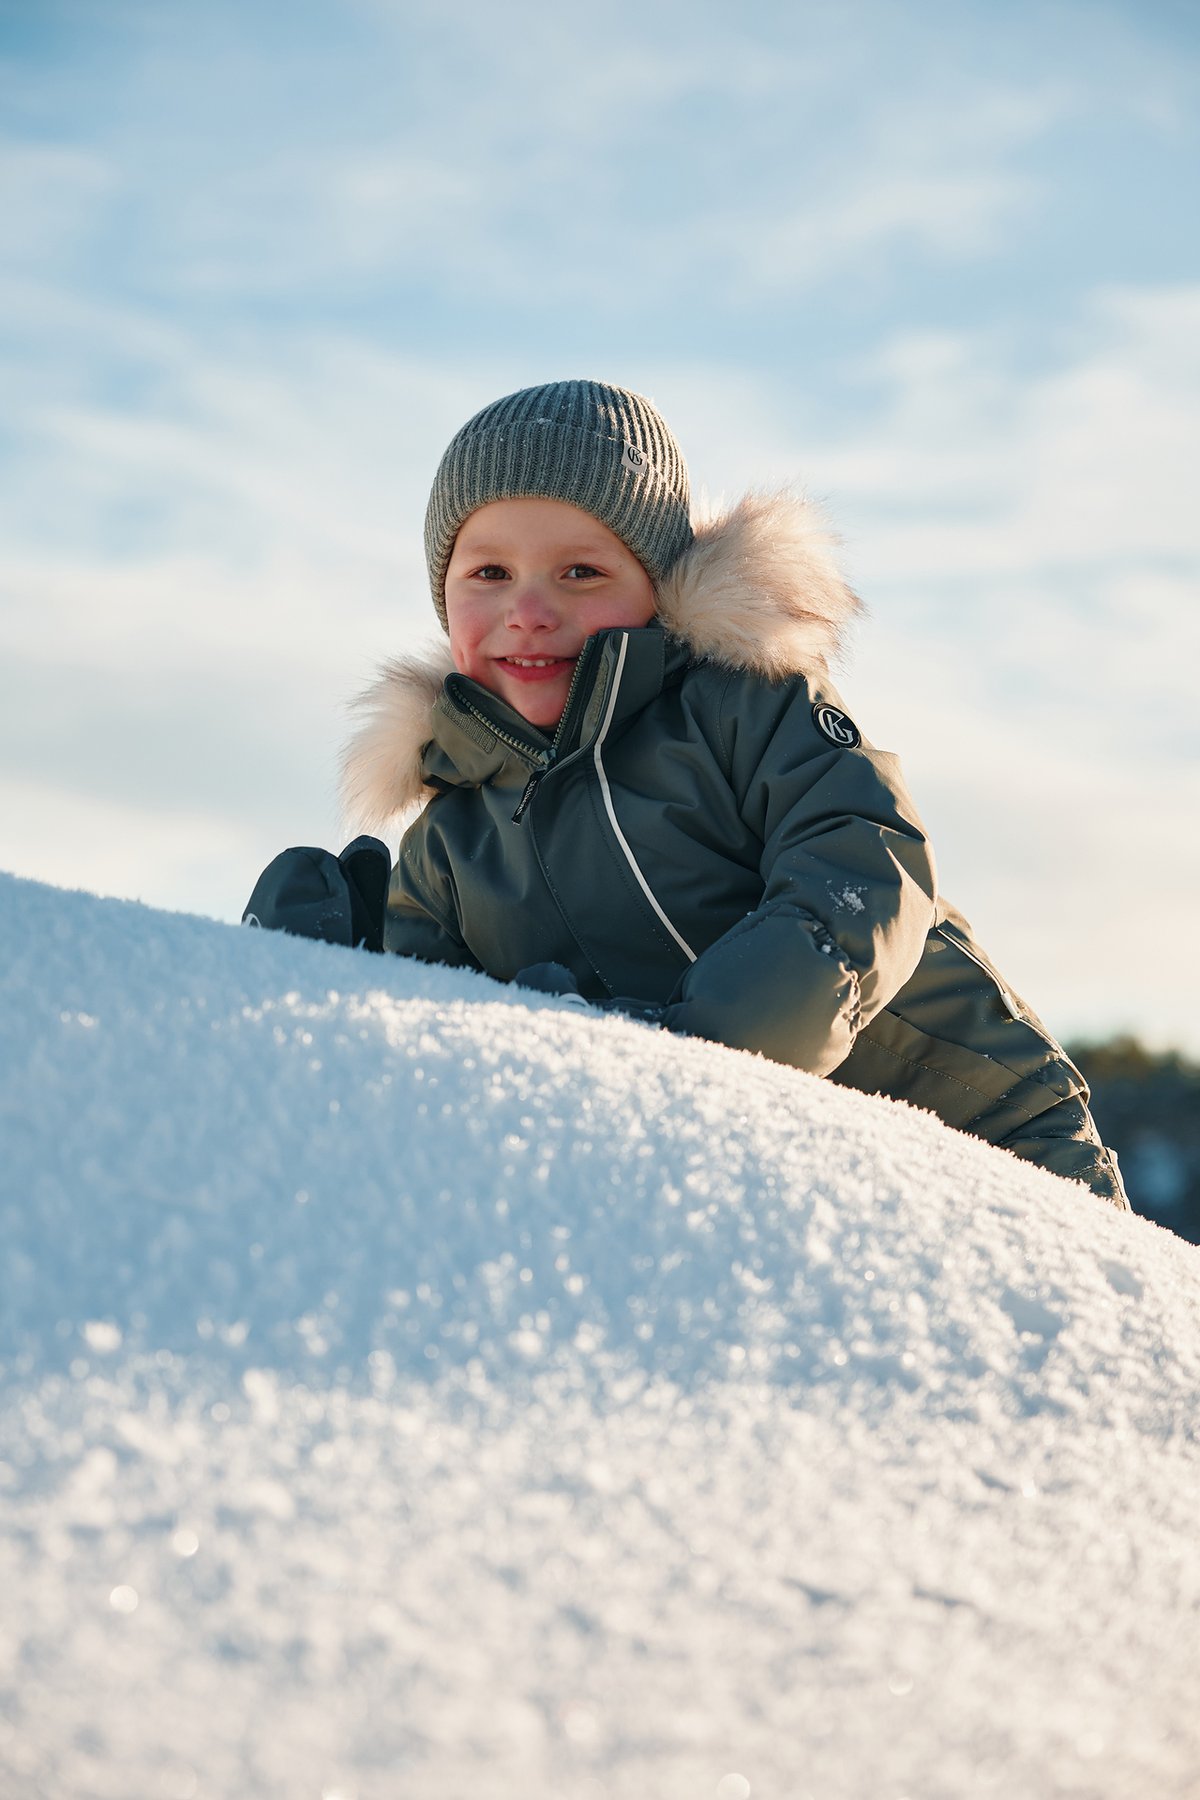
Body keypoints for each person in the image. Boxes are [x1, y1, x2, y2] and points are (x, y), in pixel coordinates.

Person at [246, 379, 1127, 1208]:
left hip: (989, 1129)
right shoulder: (449, 842)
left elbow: (859, 868)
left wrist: (692, 1058)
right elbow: (455, 1064)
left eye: (580, 573)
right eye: (489, 575)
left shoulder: (744, 706)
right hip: (767, 1174)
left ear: (657, 584)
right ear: (444, 596)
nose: (530, 610)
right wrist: (332, 981)